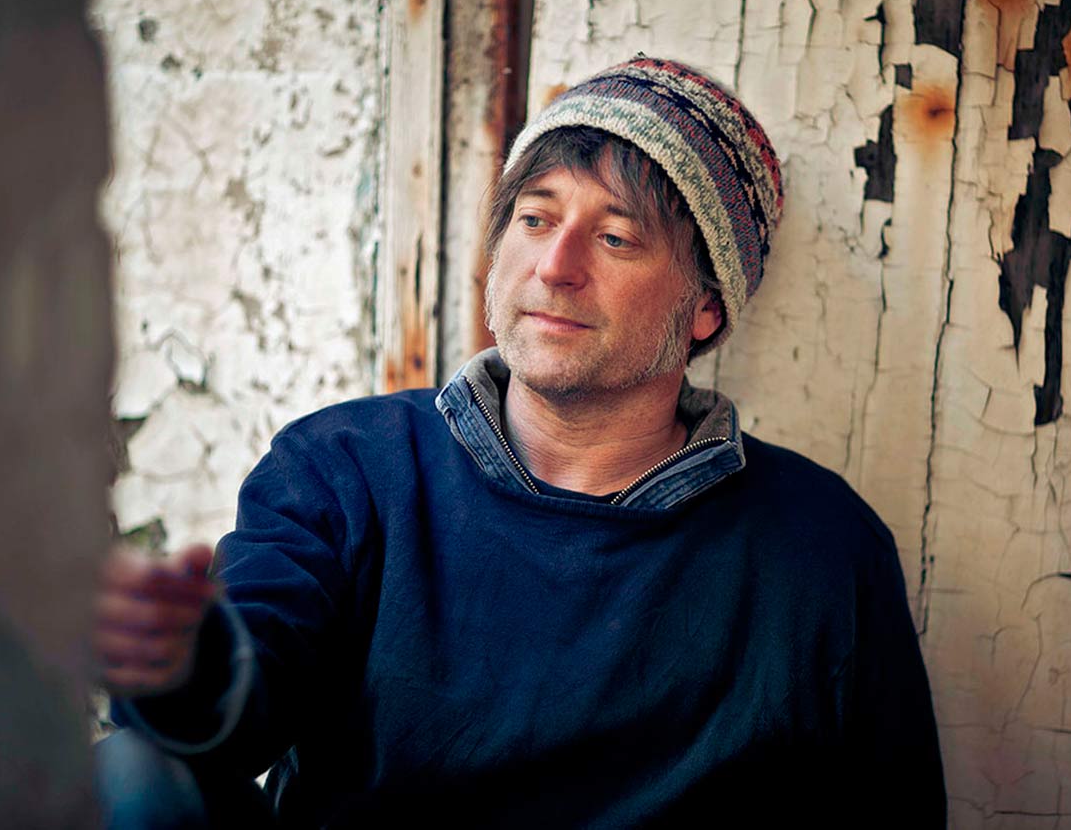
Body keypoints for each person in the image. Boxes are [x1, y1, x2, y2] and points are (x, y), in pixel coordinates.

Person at [94, 57, 946, 828]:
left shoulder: (821, 549)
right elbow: (237, 706)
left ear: (705, 308)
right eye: (536, 219)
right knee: (125, 776)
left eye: (615, 237)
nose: (556, 265)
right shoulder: (347, 467)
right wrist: (185, 665)